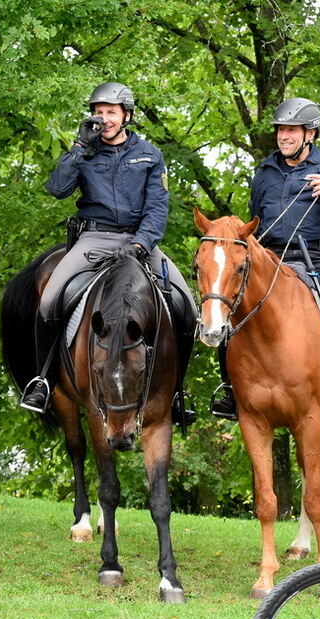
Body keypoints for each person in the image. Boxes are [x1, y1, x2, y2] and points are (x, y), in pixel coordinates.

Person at [20, 82, 197, 425]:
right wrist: (77, 148)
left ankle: (177, 393)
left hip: (140, 241)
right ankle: (43, 381)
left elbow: (157, 207)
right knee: (49, 302)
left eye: (111, 113)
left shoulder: (149, 154)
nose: (104, 119)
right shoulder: (84, 151)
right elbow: (57, 189)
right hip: (94, 240)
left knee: (186, 307)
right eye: (98, 113)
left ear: (126, 116)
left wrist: (142, 244)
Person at [211, 98, 320, 419]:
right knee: (228, 309)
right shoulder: (264, 173)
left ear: (309, 134)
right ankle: (231, 390)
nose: (284, 136)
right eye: (280, 130)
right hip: (271, 259)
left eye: (291, 130)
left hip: (319, 258)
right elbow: (253, 224)